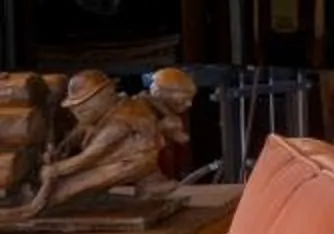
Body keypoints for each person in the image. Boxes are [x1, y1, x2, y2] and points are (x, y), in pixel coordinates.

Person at [0, 68, 197, 223]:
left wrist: (57, 169)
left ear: (101, 99)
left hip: (127, 164)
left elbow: (91, 156)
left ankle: (24, 208)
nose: (78, 113)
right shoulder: (114, 108)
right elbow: (79, 133)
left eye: (82, 108)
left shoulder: (119, 121)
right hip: (125, 161)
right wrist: (63, 149)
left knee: (63, 191)